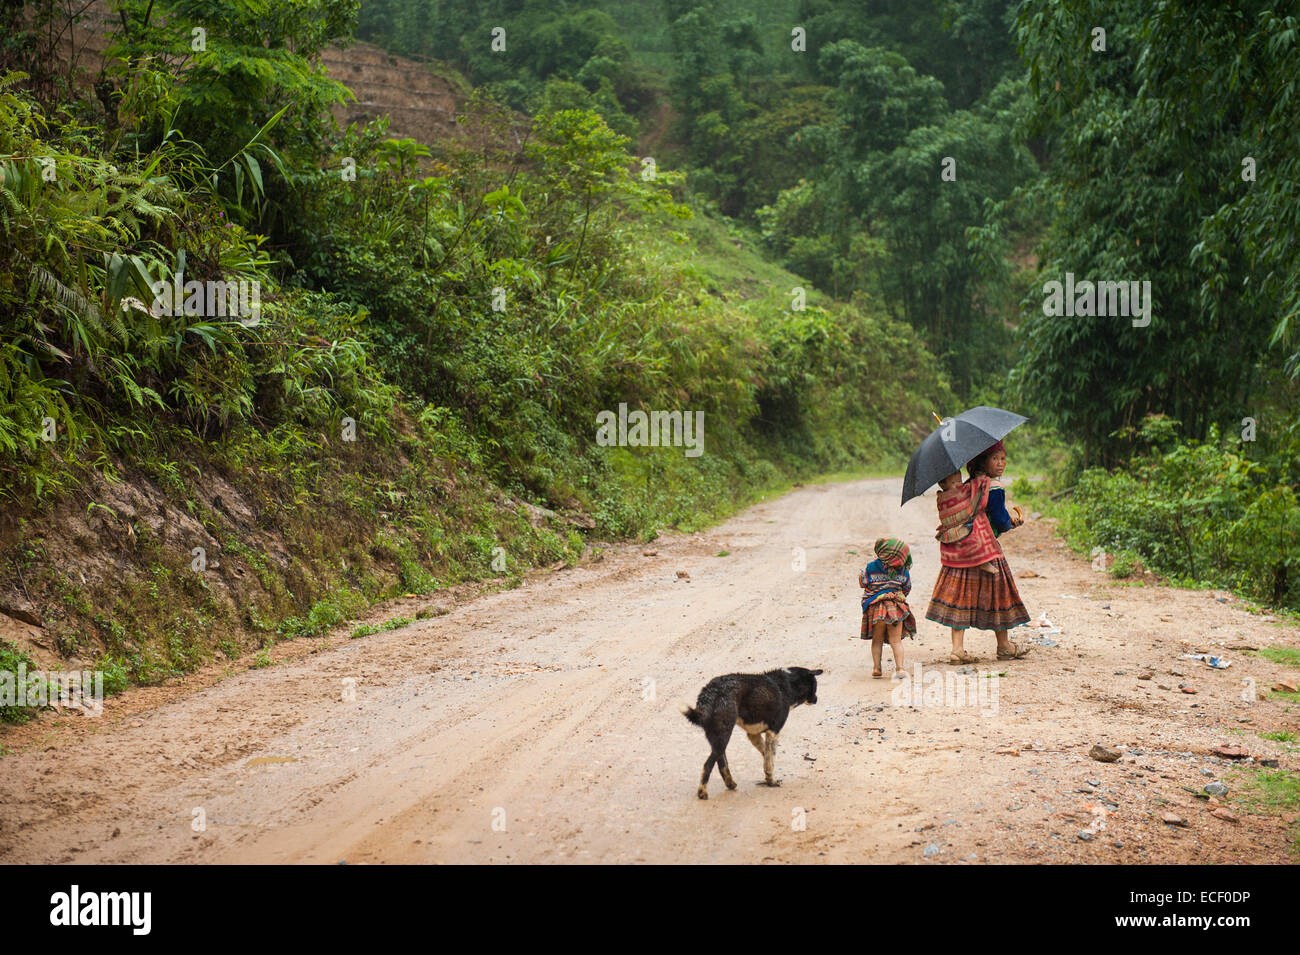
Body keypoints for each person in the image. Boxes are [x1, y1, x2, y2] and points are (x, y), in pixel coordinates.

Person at [925, 440, 1031, 663]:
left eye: (1003, 458)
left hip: (961, 551)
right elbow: (1000, 521)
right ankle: (1004, 646)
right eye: (995, 459)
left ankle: (957, 649)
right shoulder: (992, 487)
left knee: (960, 597)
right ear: (982, 461)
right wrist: (1011, 523)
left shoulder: (967, 485)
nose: (1000, 463)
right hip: (987, 549)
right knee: (999, 595)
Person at [860, 537, 916, 679]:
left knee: (877, 640)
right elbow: (907, 588)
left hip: (876, 609)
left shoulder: (871, 567)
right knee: (896, 641)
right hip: (895, 610)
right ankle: (900, 668)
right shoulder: (903, 571)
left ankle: (877, 667)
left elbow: (863, 582)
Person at [935, 471, 999, 573]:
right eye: (954, 483)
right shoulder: (951, 495)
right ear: (942, 485)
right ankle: (981, 561)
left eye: (960, 481)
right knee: (975, 537)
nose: (959, 484)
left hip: (949, 531)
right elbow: (973, 489)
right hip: (958, 528)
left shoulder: (941, 497)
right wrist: (981, 478)